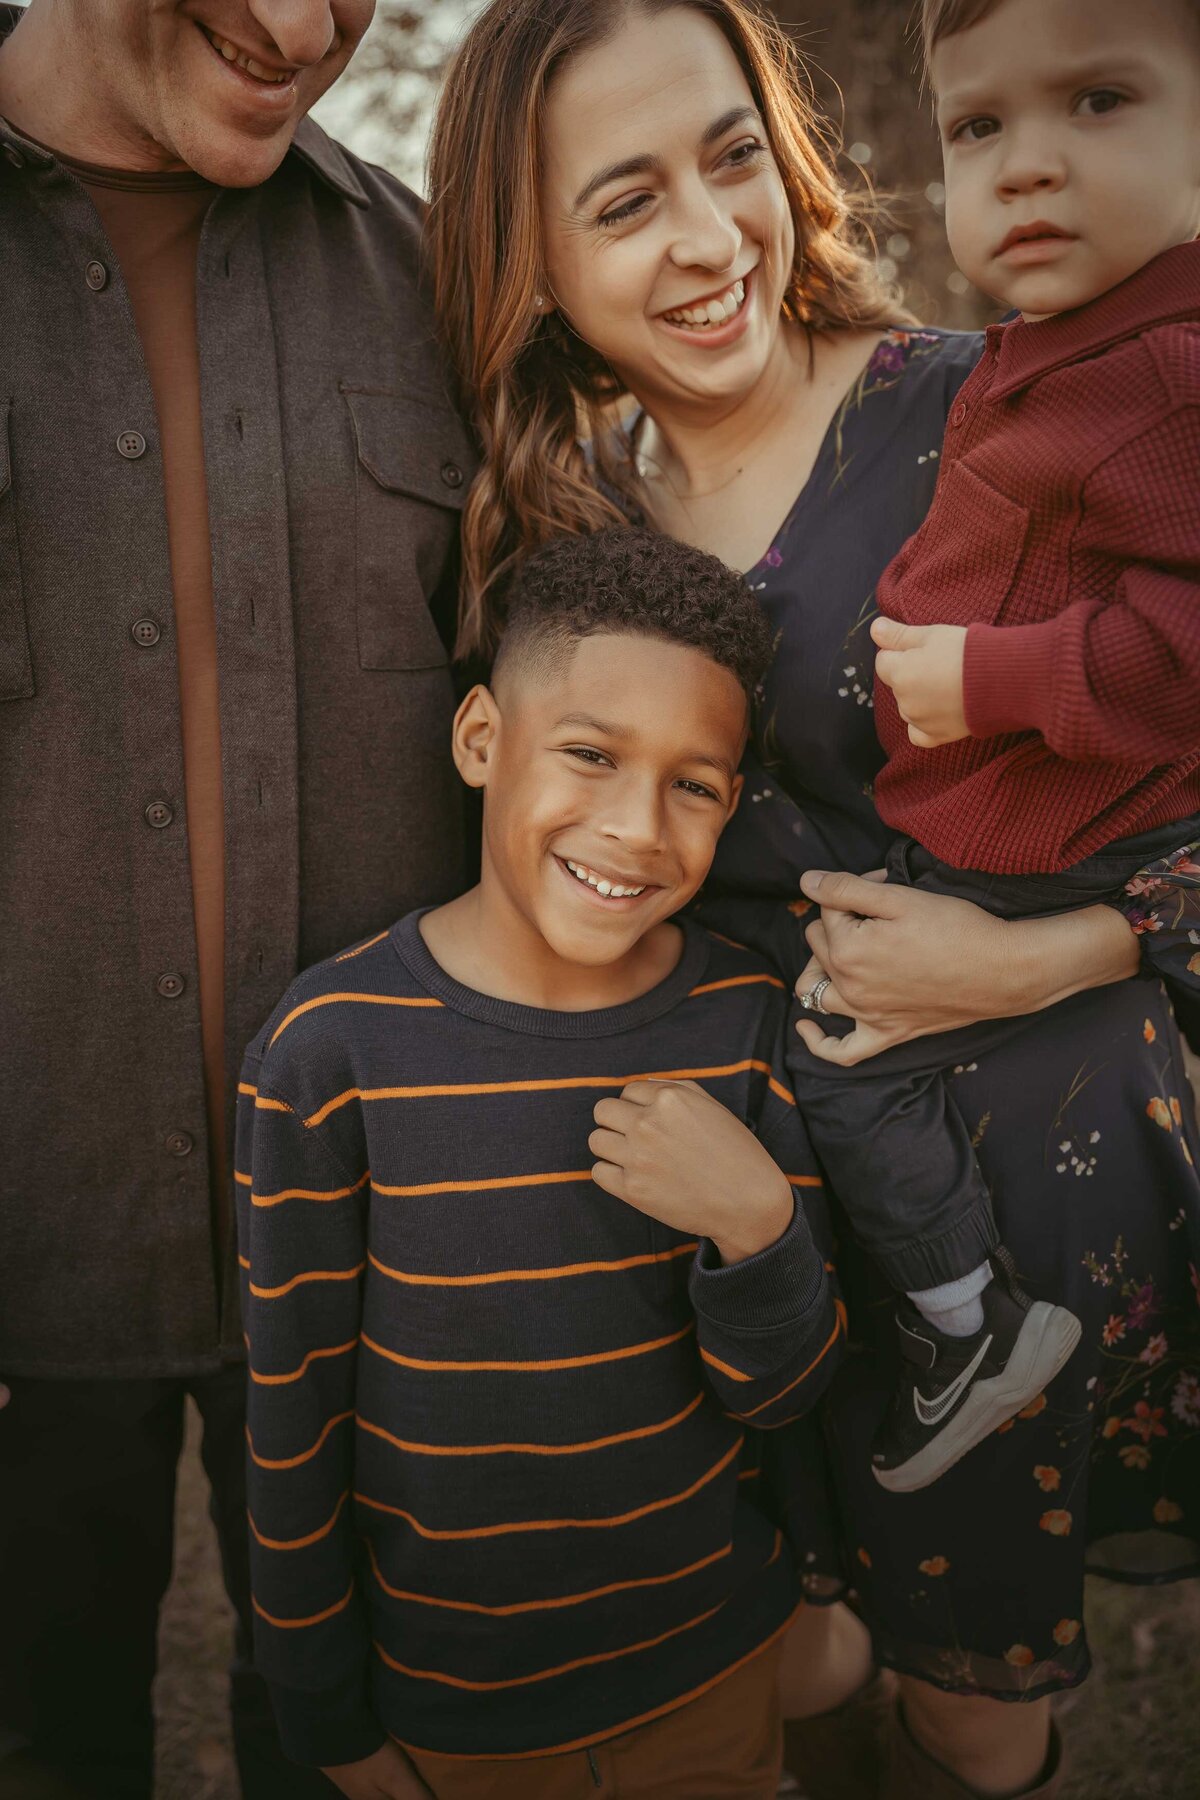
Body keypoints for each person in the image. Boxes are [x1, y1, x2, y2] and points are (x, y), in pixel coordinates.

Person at [425, 3, 1200, 1798]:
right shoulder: (558, 536)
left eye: (730, 156)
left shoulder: (1004, 404)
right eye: (623, 203)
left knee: (970, 1694)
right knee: (783, 1654)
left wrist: (1040, 959)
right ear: (529, 265)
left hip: (1021, 1207)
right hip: (742, 1214)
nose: (709, 238)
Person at [0, 3, 474, 1794]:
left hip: (383, 1274)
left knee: (359, 1760)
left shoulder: (430, 274)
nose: (302, 26)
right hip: (26, 1246)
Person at [236, 526, 845, 1800]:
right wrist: (328, 1725)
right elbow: (294, 1421)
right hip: (463, 1716)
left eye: (696, 783)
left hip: (713, 1662)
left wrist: (756, 1229)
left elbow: (785, 1397)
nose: (635, 827)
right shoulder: (329, 1051)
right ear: (478, 742)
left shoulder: (741, 1019)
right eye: (590, 755)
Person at [785, 0, 1200, 1496]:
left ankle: (969, 1327)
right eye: (979, 127)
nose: (1026, 168)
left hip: (1059, 861)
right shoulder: (1050, 346)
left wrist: (995, 673)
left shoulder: (1171, 370)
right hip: (990, 832)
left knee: (838, 1056)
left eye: (1098, 102)